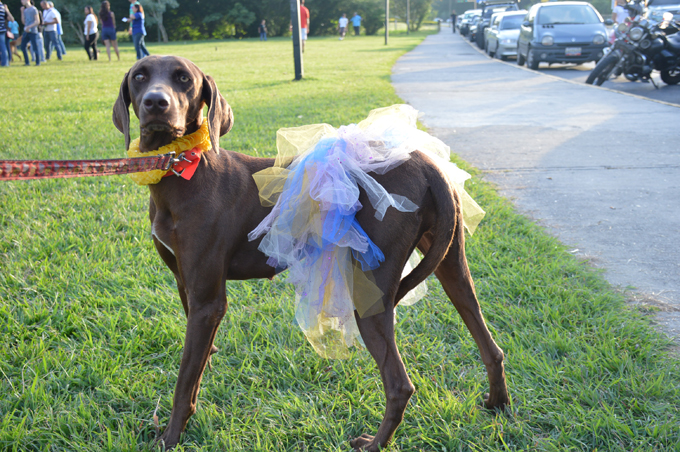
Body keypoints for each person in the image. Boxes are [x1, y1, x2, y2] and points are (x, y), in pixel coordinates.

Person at [20, 0, 40, 66]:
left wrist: (29, 26)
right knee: (23, 46)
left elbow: (37, 21)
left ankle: (37, 62)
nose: (21, 1)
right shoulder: (25, 10)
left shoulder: (34, 9)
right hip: (26, 31)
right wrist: (22, 12)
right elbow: (23, 22)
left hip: (33, 31)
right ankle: (27, 62)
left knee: (35, 47)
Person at [0, 0, 14, 66]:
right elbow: (12, 19)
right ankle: (6, 62)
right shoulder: (3, 7)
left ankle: (5, 63)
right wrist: (7, 10)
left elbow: (12, 19)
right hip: (3, 30)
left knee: (2, 47)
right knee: (4, 47)